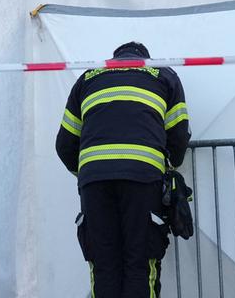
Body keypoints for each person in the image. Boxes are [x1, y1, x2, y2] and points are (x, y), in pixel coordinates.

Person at [56, 41, 190, 297]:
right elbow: (179, 136)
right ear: (145, 59)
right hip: (143, 179)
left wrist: (90, 171)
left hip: (94, 184)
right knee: (141, 262)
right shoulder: (164, 75)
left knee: (103, 266)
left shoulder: (87, 77)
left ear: (114, 59)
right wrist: (170, 164)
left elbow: (64, 144)